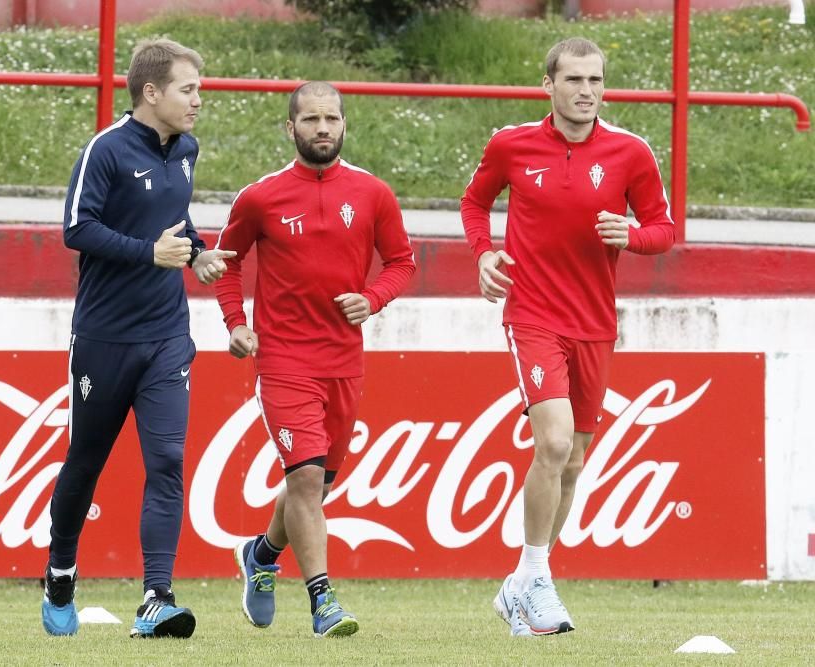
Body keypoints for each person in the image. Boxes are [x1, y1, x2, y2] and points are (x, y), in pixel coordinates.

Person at [460, 37, 675, 637]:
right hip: (532, 316)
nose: (586, 91)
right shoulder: (511, 145)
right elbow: (475, 204)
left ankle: (522, 586)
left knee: (574, 462)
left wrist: (628, 235)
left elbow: (663, 229)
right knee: (552, 444)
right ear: (548, 85)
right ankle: (537, 577)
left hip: (594, 323)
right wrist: (483, 255)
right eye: (574, 79)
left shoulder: (630, 152)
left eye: (596, 81)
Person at [41, 38, 235, 639]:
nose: (199, 100)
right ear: (151, 93)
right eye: (188, 89)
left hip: (166, 336)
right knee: (87, 460)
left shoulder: (186, 149)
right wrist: (150, 254)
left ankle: (156, 597)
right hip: (103, 337)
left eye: (199, 89)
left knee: (169, 460)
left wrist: (196, 253)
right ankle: (61, 571)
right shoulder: (105, 149)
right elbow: (77, 229)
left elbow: (171, 223)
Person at [213, 82, 416, 638]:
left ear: (344, 126)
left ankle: (261, 554)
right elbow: (227, 262)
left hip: (345, 363)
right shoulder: (261, 197)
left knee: (315, 487)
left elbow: (402, 262)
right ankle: (323, 601)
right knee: (303, 478)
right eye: (311, 119)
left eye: (331, 119)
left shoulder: (373, 193)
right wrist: (237, 325)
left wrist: (371, 299)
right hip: (282, 361)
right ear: (291, 128)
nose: (322, 128)